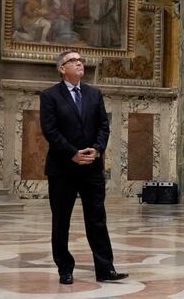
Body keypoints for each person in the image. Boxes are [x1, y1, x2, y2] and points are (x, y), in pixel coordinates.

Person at [40, 50, 128, 285]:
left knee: (97, 218)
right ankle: (65, 268)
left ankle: (105, 268)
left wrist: (97, 149)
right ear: (62, 68)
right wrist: (72, 154)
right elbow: (50, 131)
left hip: (91, 167)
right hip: (62, 168)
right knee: (61, 220)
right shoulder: (50, 96)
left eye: (81, 61)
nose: (79, 64)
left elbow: (103, 126)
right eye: (73, 61)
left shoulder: (94, 93)